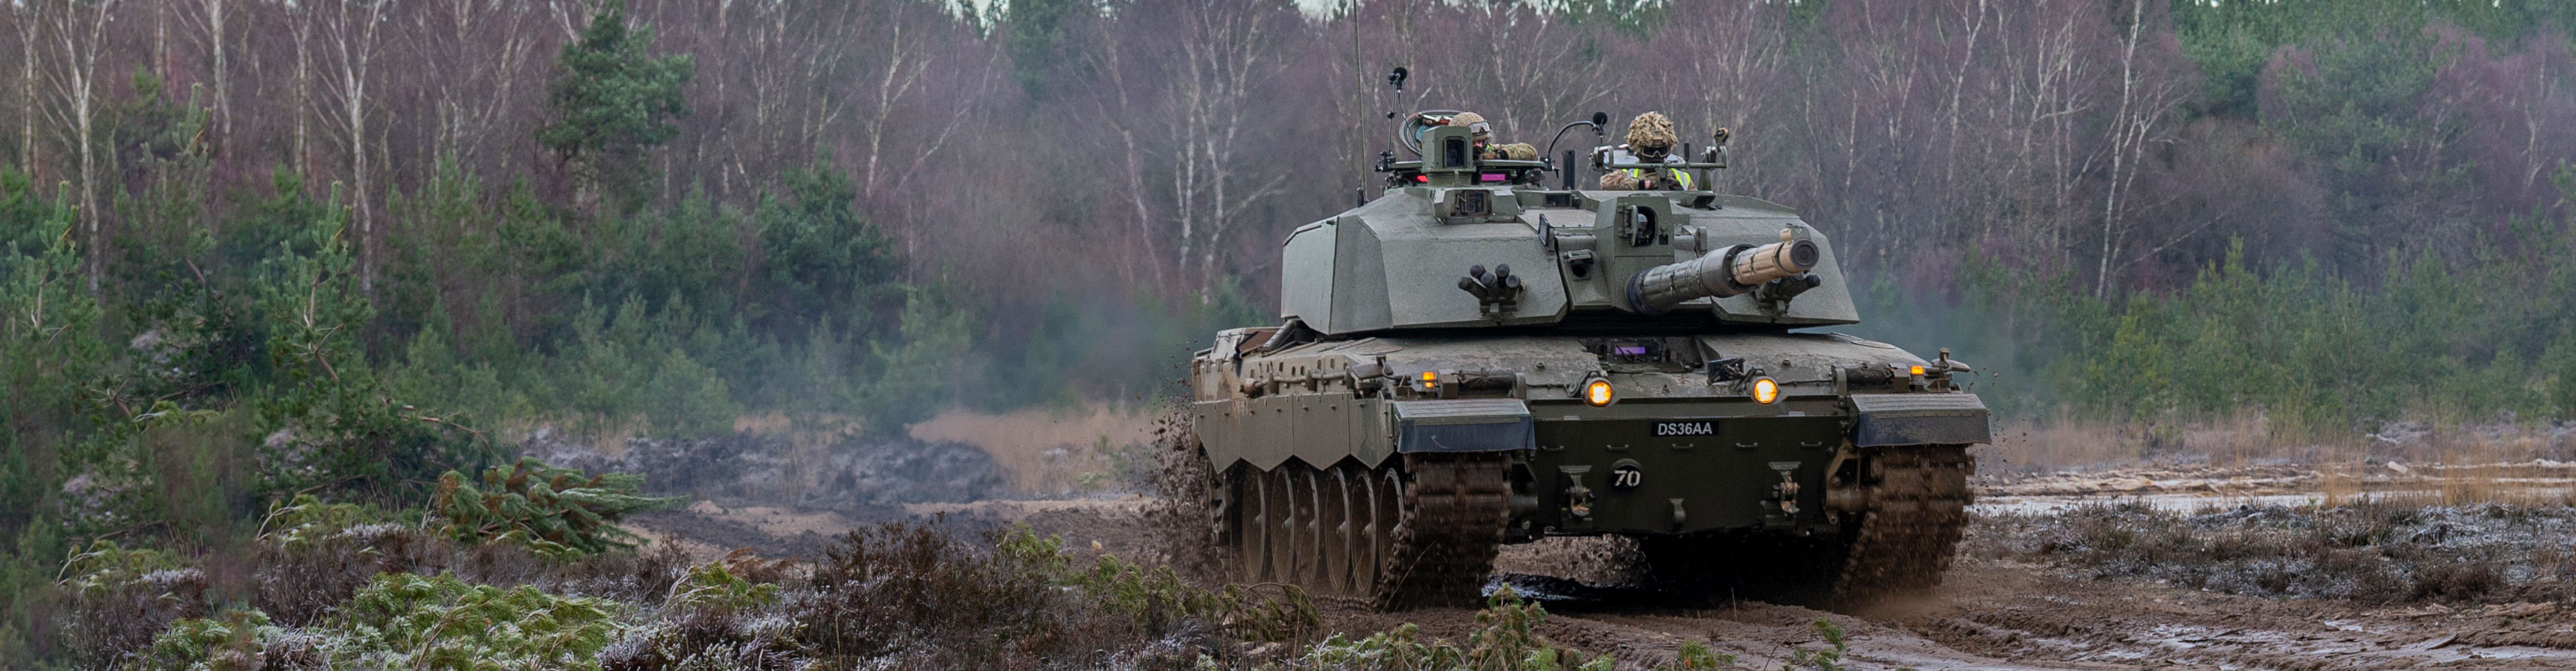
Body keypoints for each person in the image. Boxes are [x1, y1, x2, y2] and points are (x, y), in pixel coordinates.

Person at [1598, 111, 1694, 190]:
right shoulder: (1629, 174)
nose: (1657, 155)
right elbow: (1606, 183)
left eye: (1662, 151)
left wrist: (1681, 195)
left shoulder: (1682, 178)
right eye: (1650, 151)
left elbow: (1699, 206)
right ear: (1639, 151)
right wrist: (1644, 185)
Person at [1447, 112, 1537, 161]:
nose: (1479, 146)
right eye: (1474, 142)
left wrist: (1500, 155)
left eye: (1481, 142)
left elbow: (1531, 151)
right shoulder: (1444, 157)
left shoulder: (1488, 150)